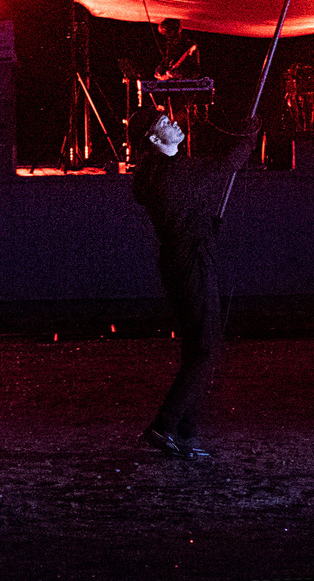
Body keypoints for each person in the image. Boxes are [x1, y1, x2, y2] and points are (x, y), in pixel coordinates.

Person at [128, 107, 261, 460]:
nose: (174, 122)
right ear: (155, 140)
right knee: (204, 347)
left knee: (200, 346)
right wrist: (249, 136)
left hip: (186, 259)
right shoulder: (171, 172)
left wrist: (203, 226)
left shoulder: (162, 173)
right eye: (164, 123)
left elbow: (187, 205)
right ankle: (165, 426)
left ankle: (185, 432)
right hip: (189, 263)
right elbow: (225, 164)